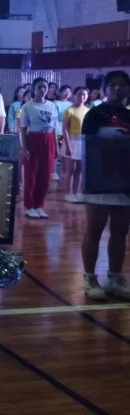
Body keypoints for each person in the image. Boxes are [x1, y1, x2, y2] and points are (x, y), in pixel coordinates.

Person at [80, 70, 130, 301]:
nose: (117, 88)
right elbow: (88, 147)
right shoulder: (94, 115)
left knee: (120, 231)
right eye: (112, 84)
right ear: (104, 89)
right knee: (95, 229)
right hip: (99, 180)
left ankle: (115, 278)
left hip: (124, 181)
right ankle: (90, 278)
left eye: (122, 84)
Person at [19, 77, 58, 219]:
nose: (43, 89)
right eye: (40, 87)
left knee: (45, 174)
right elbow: (23, 129)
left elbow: (54, 128)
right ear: (33, 89)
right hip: (34, 139)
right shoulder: (27, 106)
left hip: (49, 139)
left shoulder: (52, 106)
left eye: (45, 87)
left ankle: (39, 205)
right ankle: (29, 206)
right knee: (31, 174)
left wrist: (56, 147)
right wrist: (24, 148)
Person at [63, 86, 88, 203]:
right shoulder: (69, 110)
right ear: (74, 95)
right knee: (70, 169)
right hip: (72, 141)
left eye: (84, 94)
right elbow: (65, 129)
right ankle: (68, 193)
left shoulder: (88, 110)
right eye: (79, 94)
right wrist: (68, 146)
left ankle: (76, 192)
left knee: (79, 169)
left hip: (83, 142)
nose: (82, 96)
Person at [52, 85, 73, 181]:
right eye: (64, 91)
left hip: (69, 129)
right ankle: (54, 172)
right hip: (59, 128)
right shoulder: (55, 103)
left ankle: (65, 172)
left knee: (66, 151)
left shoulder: (71, 104)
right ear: (60, 92)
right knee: (58, 150)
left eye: (69, 91)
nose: (66, 93)